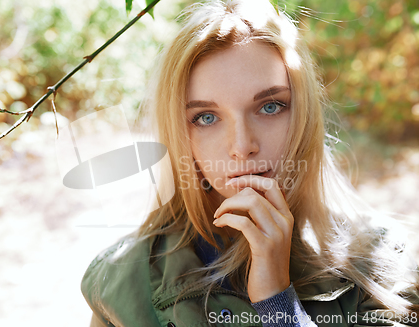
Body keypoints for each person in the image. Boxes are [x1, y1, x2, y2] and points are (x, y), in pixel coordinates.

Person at [81, 0, 419, 326]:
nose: (242, 147)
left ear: (304, 115)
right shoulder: (118, 284)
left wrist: (278, 304)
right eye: (206, 117)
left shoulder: (385, 260)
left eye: (270, 107)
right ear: (178, 131)